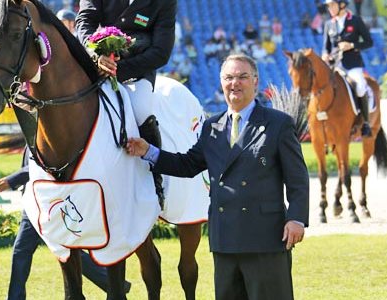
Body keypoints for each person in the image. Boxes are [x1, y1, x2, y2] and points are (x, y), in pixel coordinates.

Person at [126, 54, 309, 300]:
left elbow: (297, 178)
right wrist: (148, 151)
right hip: (225, 240)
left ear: (255, 81)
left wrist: (296, 218)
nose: (235, 83)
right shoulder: (212, 127)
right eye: (229, 77)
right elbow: (187, 164)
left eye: (243, 77)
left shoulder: (278, 124)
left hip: (265, 238)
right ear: (221, 83)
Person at [76, 0, 177, 206]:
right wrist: (96, 55)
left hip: (136, 72)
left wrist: (119, 70)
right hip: (95, 64)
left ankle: (154, 178)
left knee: (141, 111)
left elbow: (161, 52)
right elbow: (85, 22)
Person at [0, 147, 131, 299]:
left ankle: (111, 283)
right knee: (24, 250)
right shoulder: (31, 128)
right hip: (35, 202)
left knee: (65, 250)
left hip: (52, 201)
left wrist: (13, 180)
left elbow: (45, 162)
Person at [322, 0, 373, 137]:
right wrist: (325, 55)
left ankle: (366, 122)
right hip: (334, 65)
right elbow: (325, 48)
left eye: (332, 5)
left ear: (342, 5)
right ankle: (321, 123)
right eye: (328, 6)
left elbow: (369, 42)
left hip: (352, 64)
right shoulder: (329, 24)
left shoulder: (355, 21)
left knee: (360, 86)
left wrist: (351, 45)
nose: (329, 9)